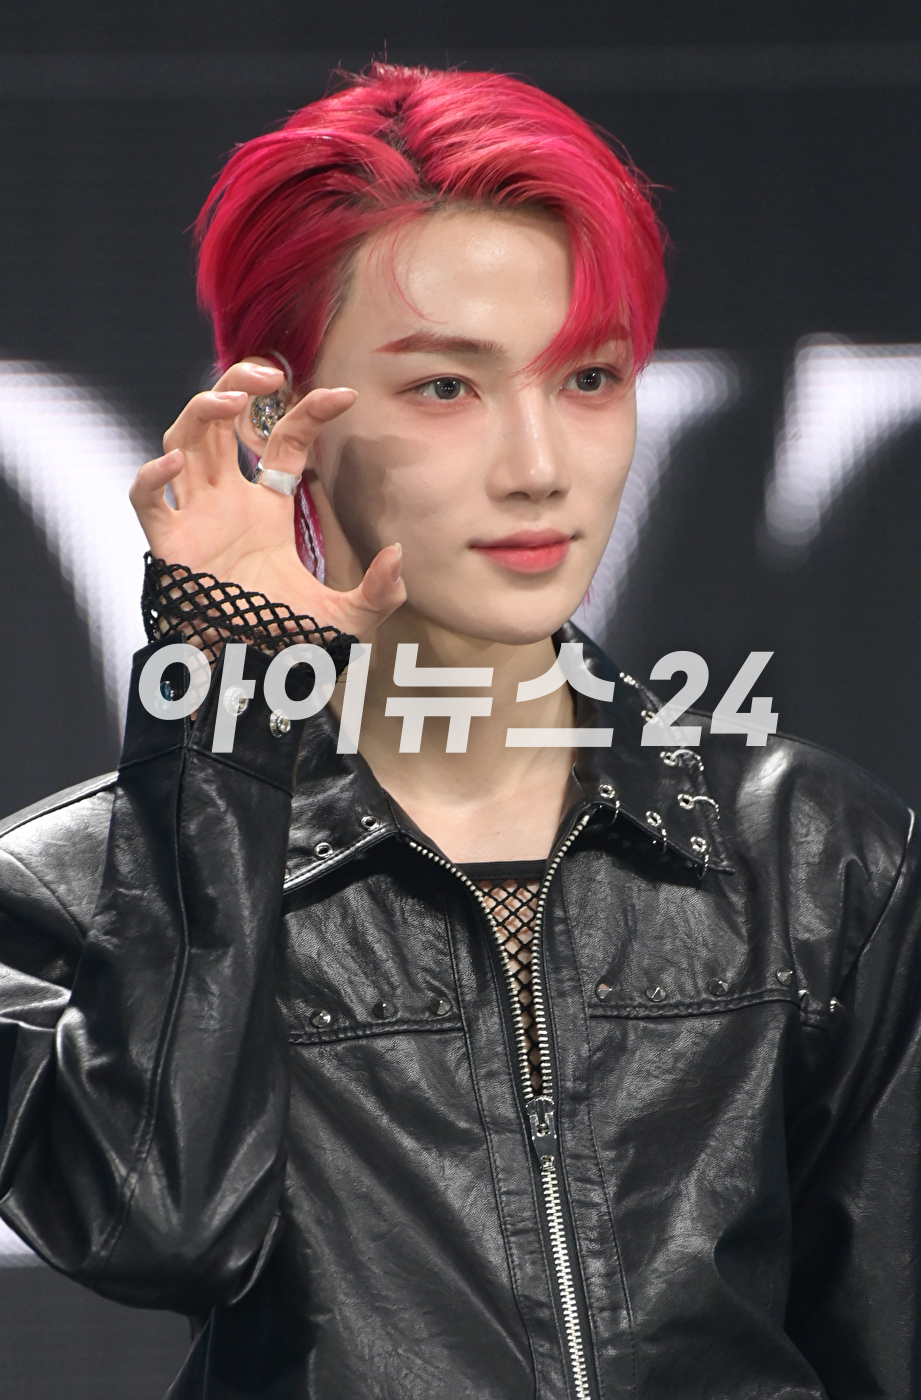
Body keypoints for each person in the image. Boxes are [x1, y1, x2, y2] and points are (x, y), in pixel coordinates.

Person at [0, 62, 919, 1400]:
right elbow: (163, 1227)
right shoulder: (72, 888)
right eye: (446, 388)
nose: (539, 467)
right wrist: (230, 686)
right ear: (276, 416)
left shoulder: (815, 854)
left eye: (589, 377)